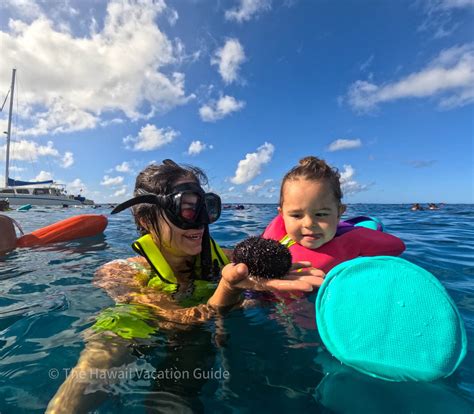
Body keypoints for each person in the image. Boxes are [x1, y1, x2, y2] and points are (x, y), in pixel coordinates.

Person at [46, 160, 323, 414]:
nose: (201, 220)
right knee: (110, 340)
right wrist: (228, 289)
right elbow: (170, 320)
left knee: (191, 355)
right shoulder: (122, 273)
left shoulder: (224, 258)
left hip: (195, 341)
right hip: (139, 331)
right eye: (188, 208)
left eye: (206, 207)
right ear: (145, 220)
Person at [262, 156, 405, 274]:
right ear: (282, 215)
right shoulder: (274, 241)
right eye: (296, 215)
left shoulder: (352, 245)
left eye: (321, 214)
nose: (308, 223)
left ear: (339, 212)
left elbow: (397, 247)